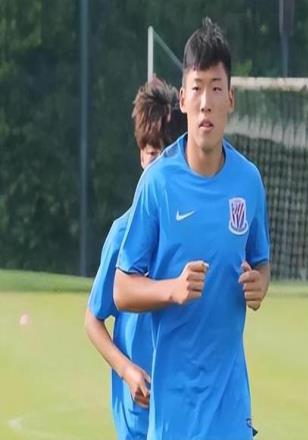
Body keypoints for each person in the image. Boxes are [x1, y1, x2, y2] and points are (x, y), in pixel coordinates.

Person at [114, 17, 271, 440]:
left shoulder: (248, 182)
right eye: (197, 88)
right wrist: (172, 289)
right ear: (182, 99)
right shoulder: (158, 183)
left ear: (230, 99)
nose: (206, 102)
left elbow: (260, 262)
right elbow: (122, 289)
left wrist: (260, 285)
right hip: (174, 414)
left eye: (216, 88)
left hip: (231, 409)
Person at [85, 76, 186, 440]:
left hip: (185, 409)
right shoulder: (122, 233)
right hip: (139, 417)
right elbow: (93, 320)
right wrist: (127, 371)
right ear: (141, 155)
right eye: (151, 153)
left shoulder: (191, 232)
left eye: (166, 153)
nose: (158, 165)